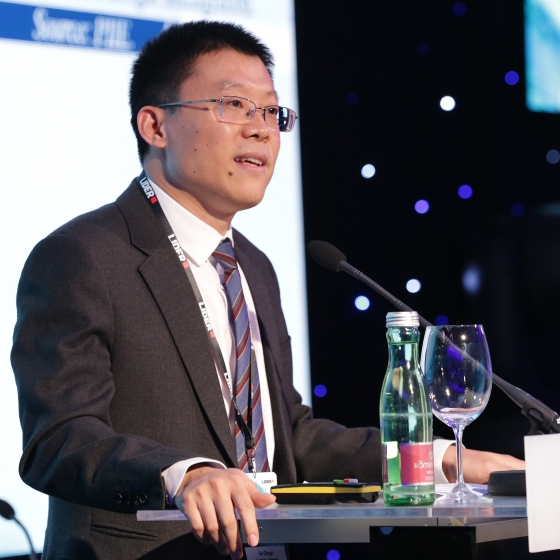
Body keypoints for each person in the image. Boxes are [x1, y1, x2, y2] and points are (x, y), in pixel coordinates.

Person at [11, 21, 524, 560]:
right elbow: (58, 439)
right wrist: (185, 474)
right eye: (234, 105)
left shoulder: (254, 266)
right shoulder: (82, 255)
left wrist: (439, 459)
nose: (261, 130)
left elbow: (292, 436)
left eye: (272, 113)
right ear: (155, 126)